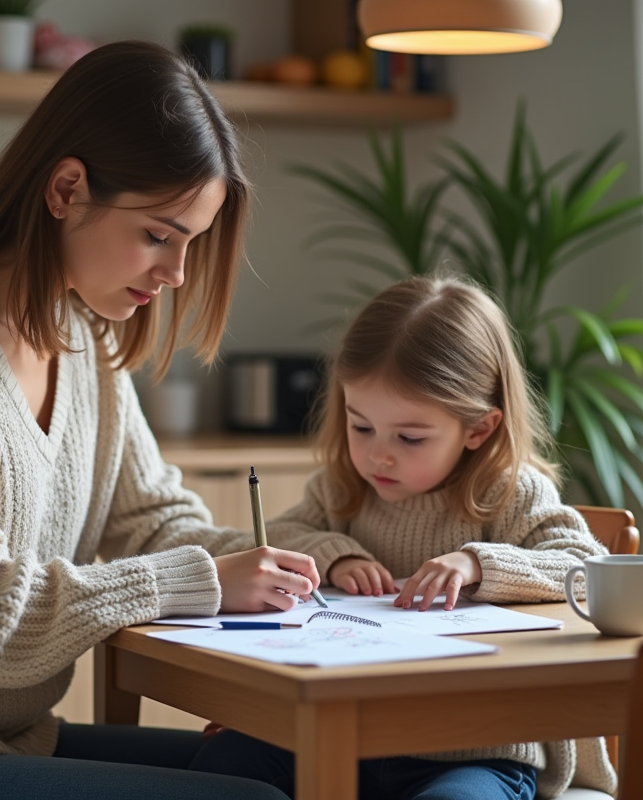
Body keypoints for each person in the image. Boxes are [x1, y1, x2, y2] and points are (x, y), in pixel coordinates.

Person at [0, 41, 373, 800]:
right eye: (158, 234)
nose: (176, 275)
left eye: (192, 245)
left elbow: (152, 522)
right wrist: (200, 581)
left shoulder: (81, 338)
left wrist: (309, 565)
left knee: (298, 769)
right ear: (67, 189)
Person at [190, 276, 617, 799]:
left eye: (410, 437)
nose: (377, 456)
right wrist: (335, 556)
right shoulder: (342, 488)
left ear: (478, 429)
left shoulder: (510, 492)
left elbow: (586, 565)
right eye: (360, 426)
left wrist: (476, 564)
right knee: (226, 765)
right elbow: (280, 534)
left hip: (478, 750)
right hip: (343, 737)